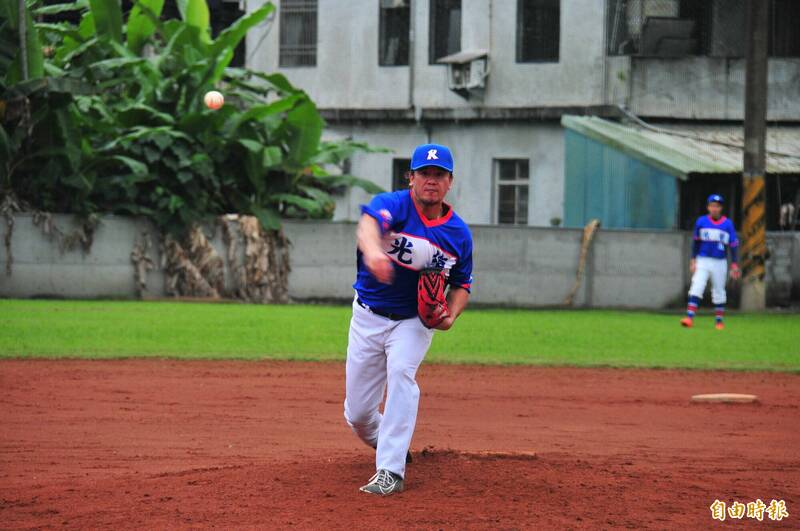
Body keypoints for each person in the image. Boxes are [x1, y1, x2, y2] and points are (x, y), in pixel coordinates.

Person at [344, 143, 473, 496]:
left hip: (414, 321)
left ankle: (390, 470)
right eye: (424, 173)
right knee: (357, 415)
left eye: (439, 175)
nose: (431, 180)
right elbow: (369, 225)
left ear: (449, 182)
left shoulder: (457, 234)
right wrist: (373, 253)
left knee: (402, 373)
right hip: (368, 315)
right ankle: (385, 439)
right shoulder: (394, 205)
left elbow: (462, 283)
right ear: (411, 177)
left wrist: (451, 315)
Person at [681, 194, 740, 330]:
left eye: (717, 206)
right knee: (697, 285)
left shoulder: (727, 224)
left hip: (720, 262)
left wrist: (734, 264)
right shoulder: (701, 222)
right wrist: (693, 259)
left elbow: (733, 245)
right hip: (703, 260)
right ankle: (689, 318)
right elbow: (696, 242)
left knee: (719, 290)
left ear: (721, 208)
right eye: (712, 206)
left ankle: (719, 321)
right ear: (708, 207)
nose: (714, 209)